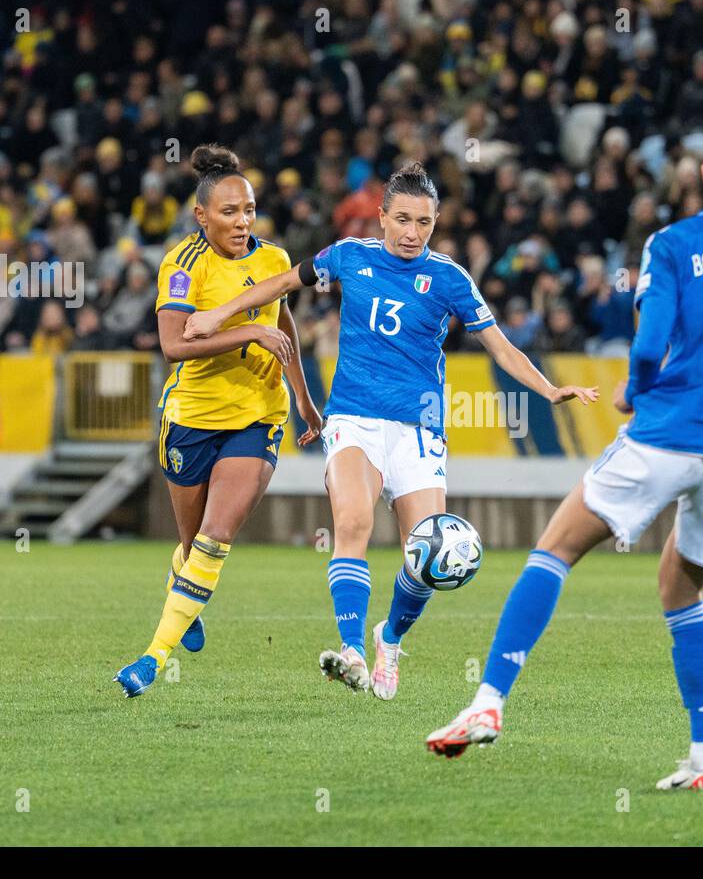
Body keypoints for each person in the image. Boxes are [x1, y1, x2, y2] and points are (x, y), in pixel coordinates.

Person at [424, 85, 703, 791]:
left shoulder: (674, 243)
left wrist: (631, 388)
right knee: (680, 592)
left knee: (556, 547)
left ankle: (488, 702)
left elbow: (650, 345)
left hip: (669, 429)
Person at [182, 163, 599, 700]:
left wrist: (549, 390)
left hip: (418, 428)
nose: (411, 233)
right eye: (402, 220)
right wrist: (217, 316)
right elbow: (281, 284)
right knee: (352, 521)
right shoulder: (348, 257)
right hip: (353, 416)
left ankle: (391, 637)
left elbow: (499, 345)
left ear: (435, 222)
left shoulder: (450, 277)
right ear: (380, 218)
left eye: (423, 223)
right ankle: (352, 650)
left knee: (425, 557)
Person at [114, 144, 323, 697]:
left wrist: (302, 395)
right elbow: (173, 346)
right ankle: (184, 589)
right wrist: (249, 332)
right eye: (229, 212)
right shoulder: (182, 266)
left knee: (215, 538)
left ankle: (151, 659)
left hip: (258, 415)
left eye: (249, 209)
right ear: (202, 217)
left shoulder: (274, 260)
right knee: (190, 547)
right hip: (190, 418)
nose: (243, 221)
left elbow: (284, 326)